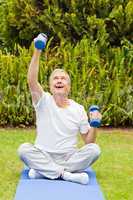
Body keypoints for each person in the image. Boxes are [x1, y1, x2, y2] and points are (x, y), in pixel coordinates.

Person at [18, 36, 102, 185]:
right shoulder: (43, 100)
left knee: (94, 150)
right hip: (43, 155)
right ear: (50, 87)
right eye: (55, 78)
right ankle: (66, 174)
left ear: (68, 87)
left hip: (68, 158)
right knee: (24, 150)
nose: (59, 80)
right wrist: (37, 49)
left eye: (63, 78)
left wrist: (94, 126)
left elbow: (88, 141)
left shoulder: (78, 109)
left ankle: (45, 172)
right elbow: (31, 80)